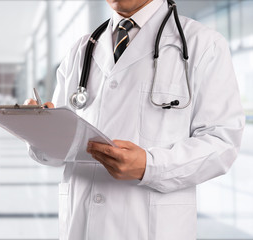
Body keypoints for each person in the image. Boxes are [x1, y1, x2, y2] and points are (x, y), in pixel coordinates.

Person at [24, 0, 245, 239]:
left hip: (151, 227)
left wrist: (149, 166)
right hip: (82, 223)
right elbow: (59, 150)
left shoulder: (202, 45)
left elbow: (222, 142)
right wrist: (40, 130)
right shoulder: (80, 50)